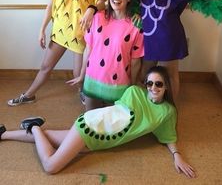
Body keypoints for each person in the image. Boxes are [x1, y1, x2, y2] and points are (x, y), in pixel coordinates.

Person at [0, 66, 196, 177]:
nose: (153, 87)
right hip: (92, 126)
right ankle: (34, 127)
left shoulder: (167, 112)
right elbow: (117, 113)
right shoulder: (135, 92)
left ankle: (4, 133)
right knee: (51, 166)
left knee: (51, 138)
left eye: (158, 84)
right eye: (149, 83)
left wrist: (176, 154)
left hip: (98, 141)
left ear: (167, 87)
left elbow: (168, 134)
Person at [7, 0, 108, 106]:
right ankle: (29, 95)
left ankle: (83, 94)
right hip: (60, 30)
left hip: (80, 31)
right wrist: (42, 29)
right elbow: (52, 5)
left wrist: (91, 9)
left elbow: (102, 1)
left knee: (78, 73)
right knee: (46, 66)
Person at [66, 0, 144, 110]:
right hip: (92, 82)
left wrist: (131, 85)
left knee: (112, 127)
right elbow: (88, 50)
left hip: (118, 86)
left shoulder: (135, 25)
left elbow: (135, 61)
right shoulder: (96, 18)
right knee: (91, 123)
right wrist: (81, 75)